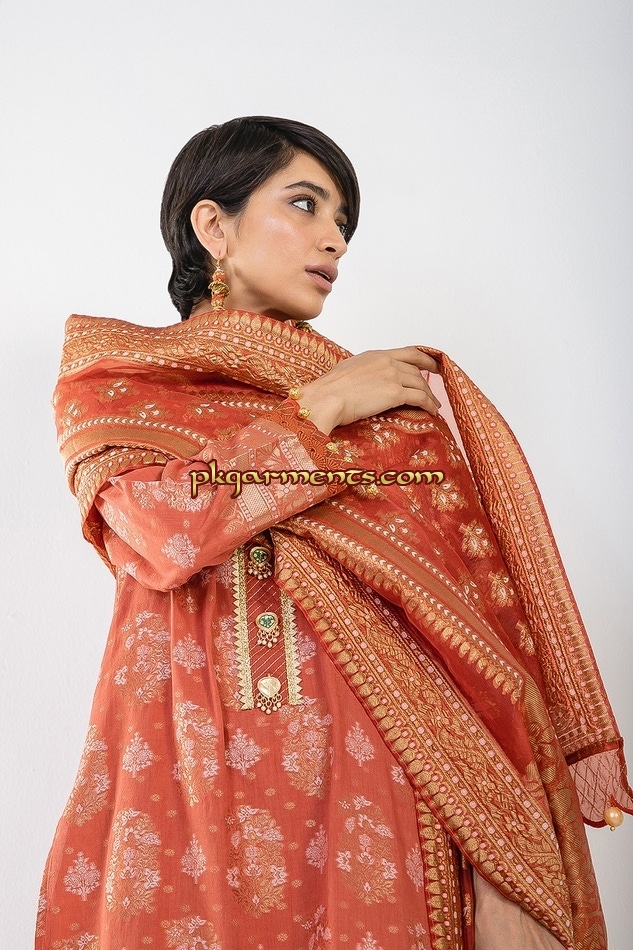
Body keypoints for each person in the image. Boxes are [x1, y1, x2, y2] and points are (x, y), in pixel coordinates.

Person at [39, 116, 632, 950]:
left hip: (387, 807)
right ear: (213, 225)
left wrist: (501, 869)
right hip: (186, 791)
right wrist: (319, 407)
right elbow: (167, 530)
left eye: (342, 221)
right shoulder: (117, 385)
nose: (334, 240)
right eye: (305, 204)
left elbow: (475, 649)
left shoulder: (392, 409)